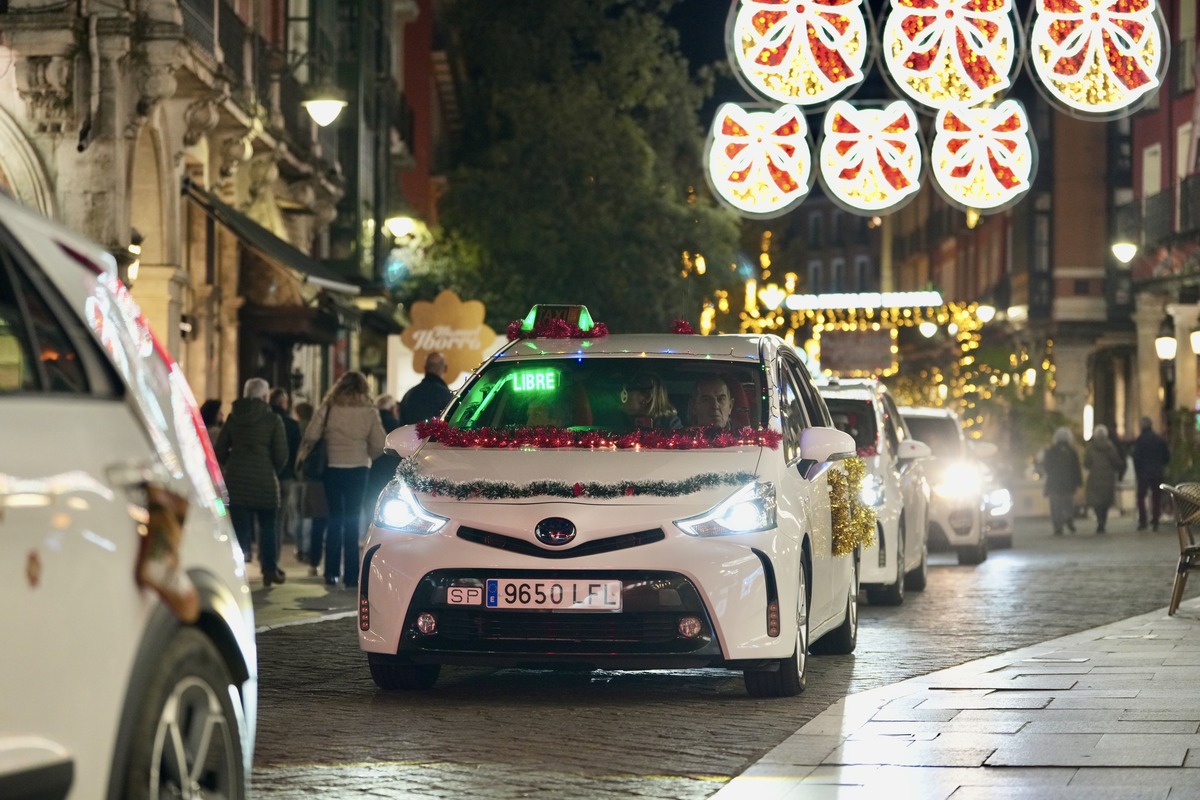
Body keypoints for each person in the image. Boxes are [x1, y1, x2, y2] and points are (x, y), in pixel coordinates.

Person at [297, 371, 386, 588]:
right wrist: (367, 456)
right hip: (358, 469)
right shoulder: (369, 412)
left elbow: (310, 435)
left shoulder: (328, 408)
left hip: (332, 468)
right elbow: (380, 442)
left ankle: (331, 572)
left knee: (335, 518)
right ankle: (352, 575)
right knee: (353, 519)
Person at [214, 378, 288, 586]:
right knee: (269, 526)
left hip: (236, 481)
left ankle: (237, 571)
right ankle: (269, 570)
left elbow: (219, 449)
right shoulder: (273, 420)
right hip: (265, 482)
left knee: (239, 529)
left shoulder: (233, 418)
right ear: (265, 396)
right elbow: (281, 455)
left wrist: (233, 464)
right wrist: (270, 469)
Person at [269, 387, 303, 561]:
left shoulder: (266, 421)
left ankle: (265, 555)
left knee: (267, 518)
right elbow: (298, 450)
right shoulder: (291, 424)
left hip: (267, 474)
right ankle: (273, 557)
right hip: (286, 476)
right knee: (280, 517)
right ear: (283, 403)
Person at [294, 401, 327, 575]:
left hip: (314, 478)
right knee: (337, 521)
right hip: (335, 473)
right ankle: (331, 567)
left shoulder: (314, 428)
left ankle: (311, 558)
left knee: (314, 519)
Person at [366, 394, 403, 520]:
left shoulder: (371, 420)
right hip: (389, 466)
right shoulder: (395, 423)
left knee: (370, 498)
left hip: (372, 465)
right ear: (393, 408)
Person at [1131, 415, 1170, 531]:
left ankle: (1143, 520)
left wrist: (1138, 471)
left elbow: (1136, 457)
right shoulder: (1159, 439)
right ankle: (1155, 519)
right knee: (1156, 496)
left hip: (1143, 473)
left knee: (1140, 496)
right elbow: (1167, 457)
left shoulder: (1140, 440)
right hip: (1157, 472)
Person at [1083, 424, 1124, 533]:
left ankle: (1099, 521)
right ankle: (1103, 522)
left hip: (1095, 477)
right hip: (1108, 477)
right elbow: (1115, 461)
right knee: (1105, 501)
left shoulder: (1091, 447)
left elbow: (1086, 463)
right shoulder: (1110, 446)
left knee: (1097, 501)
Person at [1043, 426, 1082, 535]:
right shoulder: (1072, 451)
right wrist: (1078, 482)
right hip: (1068, 484)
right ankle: (1068, 518)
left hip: (1054, 484)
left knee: (1055, 506)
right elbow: (1076, 468)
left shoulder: (1051, 451)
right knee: (1067, 504)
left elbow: (1047, 467)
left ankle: (1057, 526)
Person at [399, 352, 453, 425]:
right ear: (446, 368)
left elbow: (401, 428)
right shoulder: (447, 396)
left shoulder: (408, 396)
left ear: (425, 368)